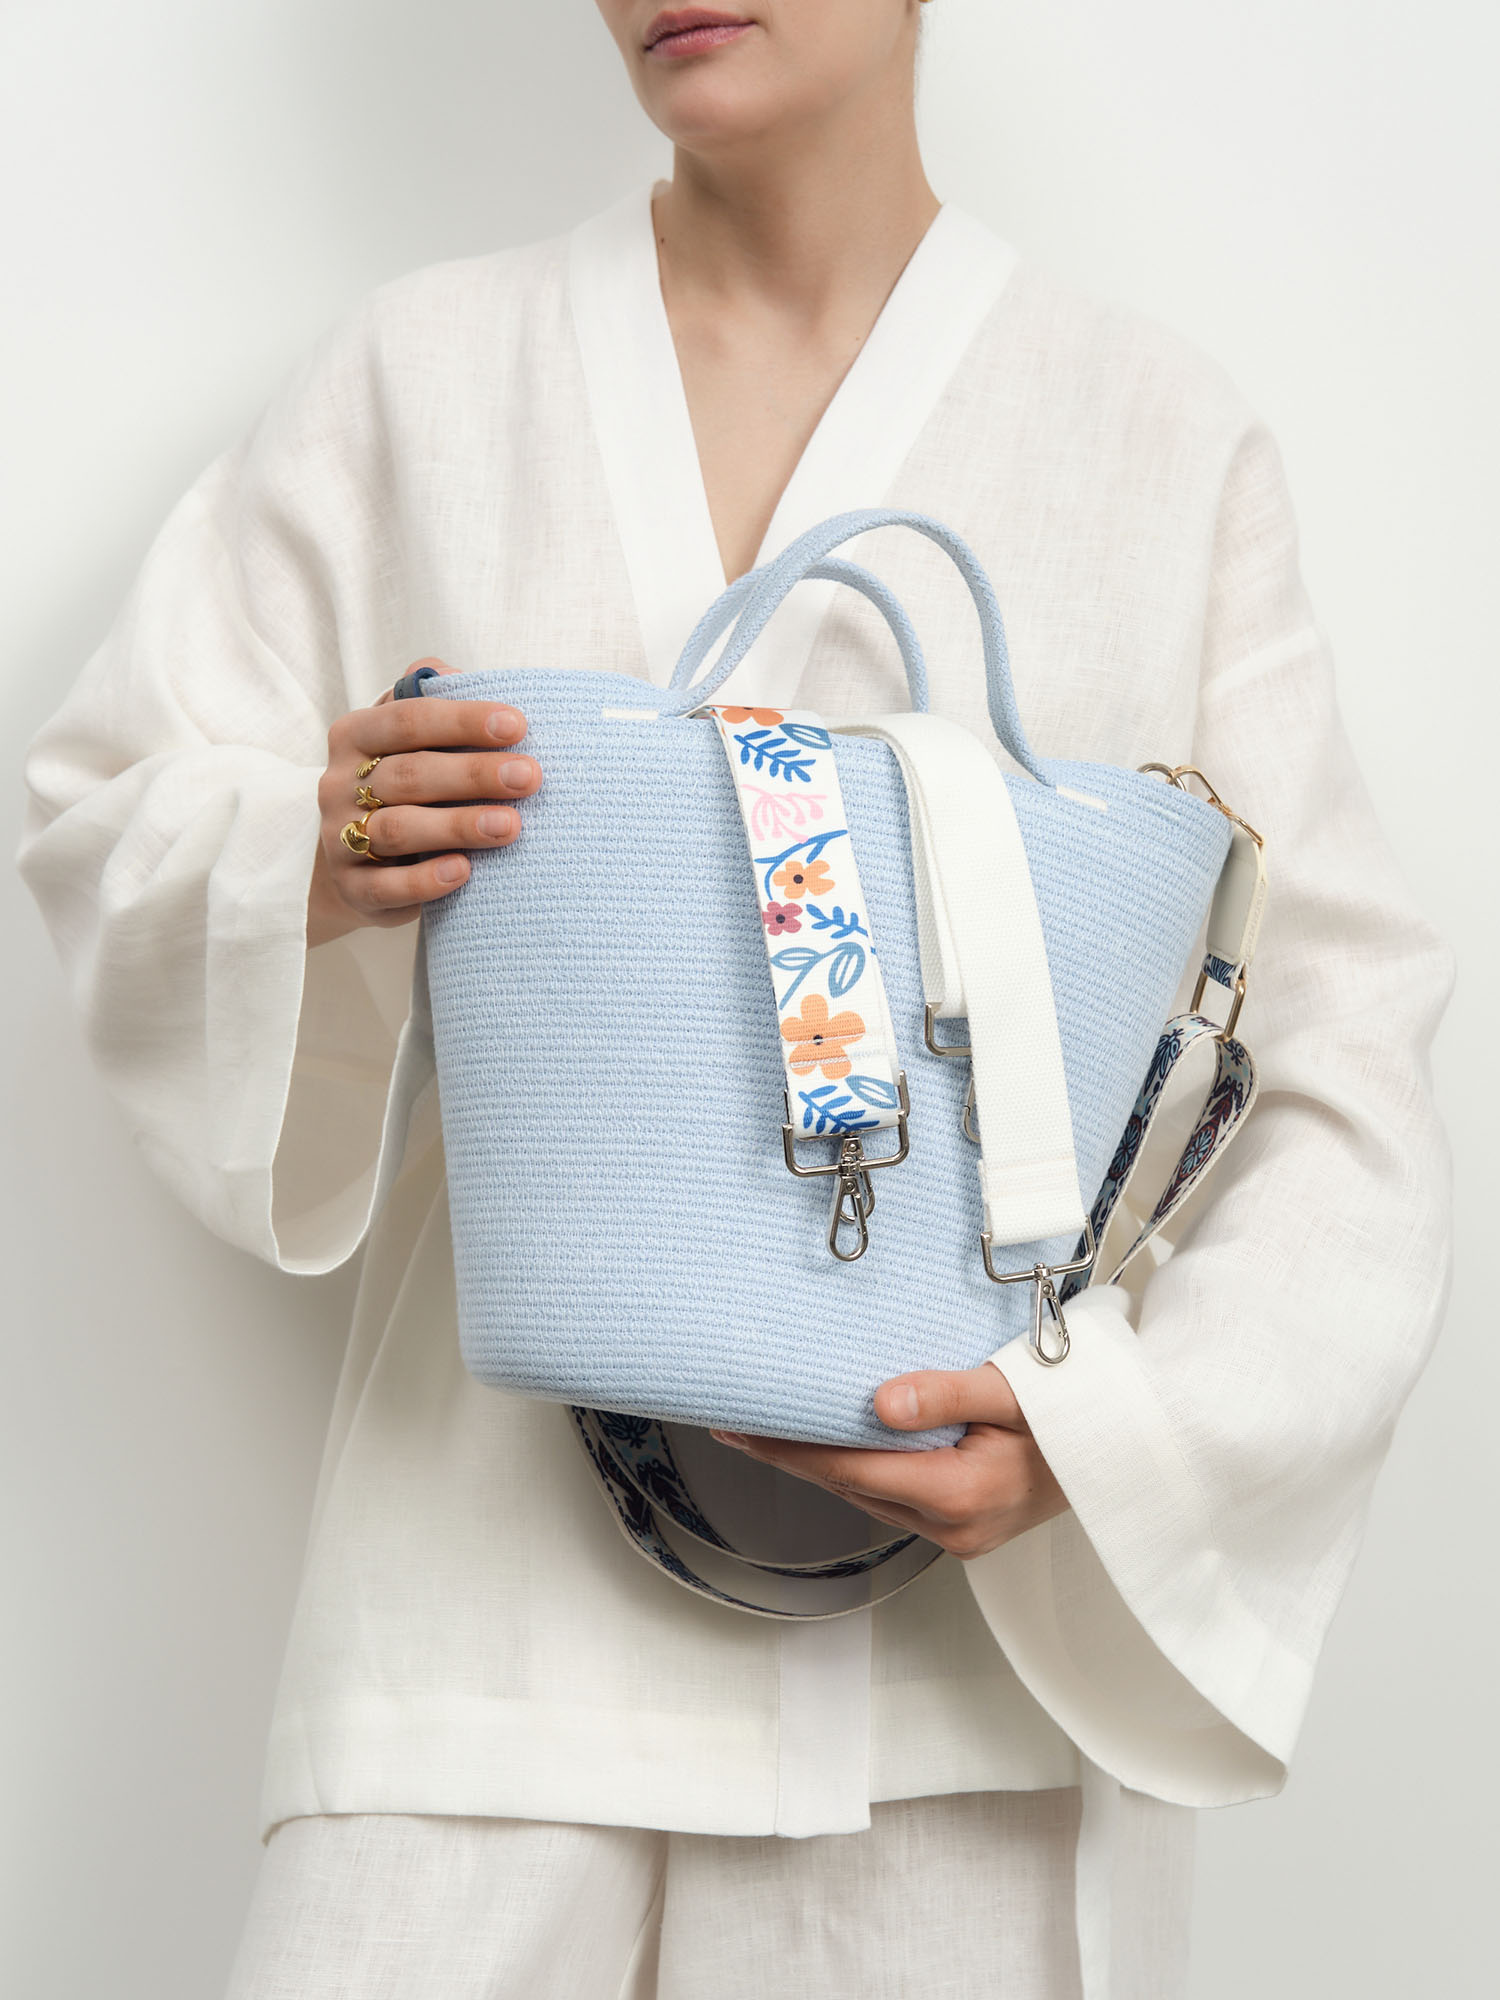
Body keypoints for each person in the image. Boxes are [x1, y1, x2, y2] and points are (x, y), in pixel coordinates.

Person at [18, 2, 1452, 1995]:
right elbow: (106, 807)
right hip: (479, 1652)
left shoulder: (1154, 437)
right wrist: (310, 853)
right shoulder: (421, 380)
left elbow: (1338, 1046)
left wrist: (1107, 1439)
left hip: (959, 1706)